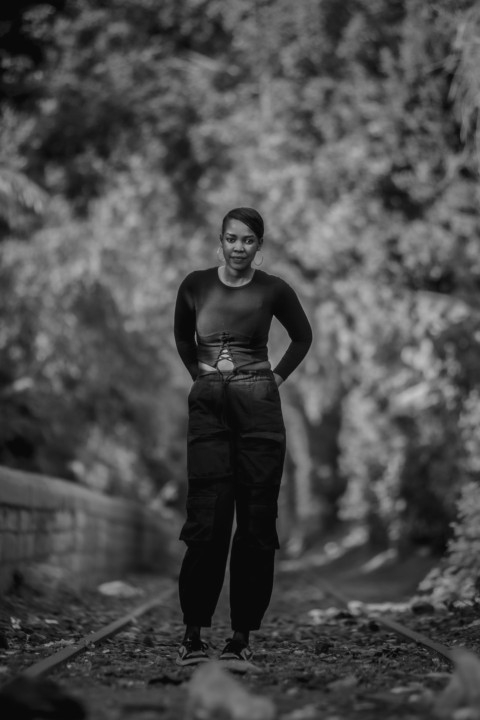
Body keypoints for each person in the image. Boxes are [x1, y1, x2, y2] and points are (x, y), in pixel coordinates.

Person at [173, 207, 312, 666]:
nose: (238, 247)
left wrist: (274, 378)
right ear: (220, 240)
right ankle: (193, 636)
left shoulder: (274, 288)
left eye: (248, 241)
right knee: (207, 519)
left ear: (258, 245)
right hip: (209, 404)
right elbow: (182, 338)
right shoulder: (195, 284)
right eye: (231, 239)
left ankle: (240, 639)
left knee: (256, 522)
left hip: (259, 404)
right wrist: (200, 375)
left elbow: (302, 337)